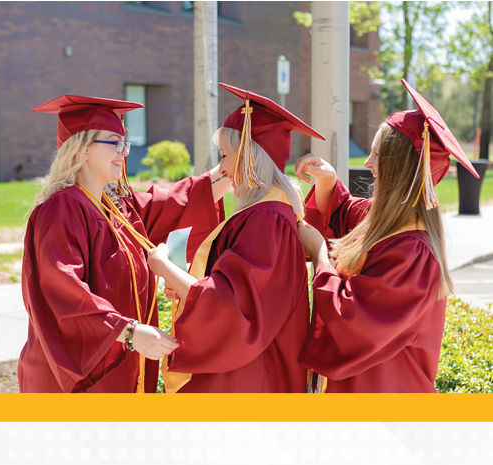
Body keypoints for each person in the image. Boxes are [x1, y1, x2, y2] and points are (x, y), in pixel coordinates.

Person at [18, 95, 231, 393]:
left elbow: (176, 204)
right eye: (114, 142)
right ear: (82, 147)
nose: (123, 152)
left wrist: (232, 168)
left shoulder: (118, 207)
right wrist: (128, 332)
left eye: (124, 144)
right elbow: (62, 288)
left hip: (118, 365)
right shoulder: (61, 209)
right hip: (75, 380)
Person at [295, 79, 480, 393]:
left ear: (400, 170)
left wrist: (320, 255)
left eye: (377, 155)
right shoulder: (380, 221)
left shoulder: (414, 255)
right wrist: (327, 180)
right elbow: (343, 213)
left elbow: (351, 321)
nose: (367, 164)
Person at [147, 83, 325, 393]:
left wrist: (164, 268)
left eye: (226, 156)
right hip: (257, 370)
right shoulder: (269, 212)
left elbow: (233, 309)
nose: (223, 168)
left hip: (250, 379)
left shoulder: (266, 220)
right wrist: (187, 288)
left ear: (249, 157)